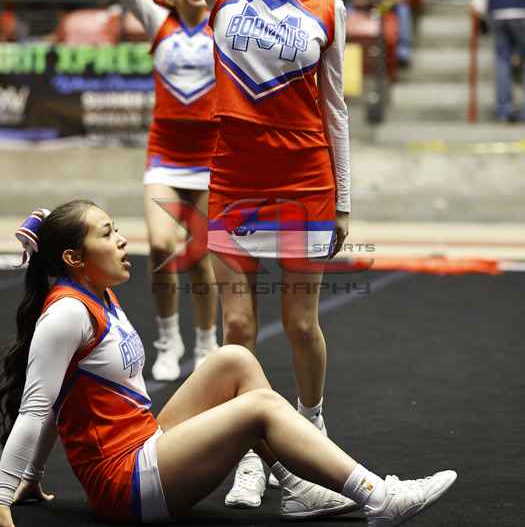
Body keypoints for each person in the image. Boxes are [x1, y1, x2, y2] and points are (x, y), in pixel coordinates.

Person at [76, 0, 354, 511]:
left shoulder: (327, 8)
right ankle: (256, 458)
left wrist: (344, 201)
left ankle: (312, 430)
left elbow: (336, 109)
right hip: (233, 182)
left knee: (300, 326)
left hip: (304, 181)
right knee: (237, 331)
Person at [0, 201, 457, 527]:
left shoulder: (97, 294)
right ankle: (379, 497)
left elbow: (58, 399)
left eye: (115, 228)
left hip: (144, 446)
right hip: (125, 486)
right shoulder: (67, 313)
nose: (121, 240)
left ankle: (297, 489)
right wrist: (3, 494)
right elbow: (37, 408)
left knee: (234, 359)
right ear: (73, 258)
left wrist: (34, 477)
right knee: (260, 407)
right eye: (106, 234)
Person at [37, 0, 218, 381]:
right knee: (161, 246)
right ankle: (167, 338)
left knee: (199, 257)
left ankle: (206, 342)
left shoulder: (224, 26)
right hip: (165, 157)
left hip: (210, 160)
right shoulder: (159, 23)